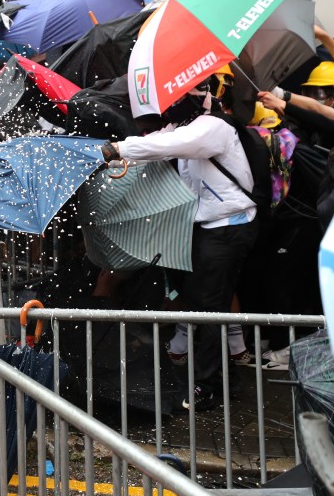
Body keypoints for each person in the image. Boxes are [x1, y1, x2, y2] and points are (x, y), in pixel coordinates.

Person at [102, 80, 259, 411]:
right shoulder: (182, 126)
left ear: (199, 96)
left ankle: (210, 386)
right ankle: (220, 380)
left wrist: (120, 150)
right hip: (207, 227)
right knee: (200, 303)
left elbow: (173, 145)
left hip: (229, 226)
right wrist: (106, 152)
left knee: (210, 307)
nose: (170, 107)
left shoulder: (212, 127)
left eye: (178, 97)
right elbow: (157, 141)